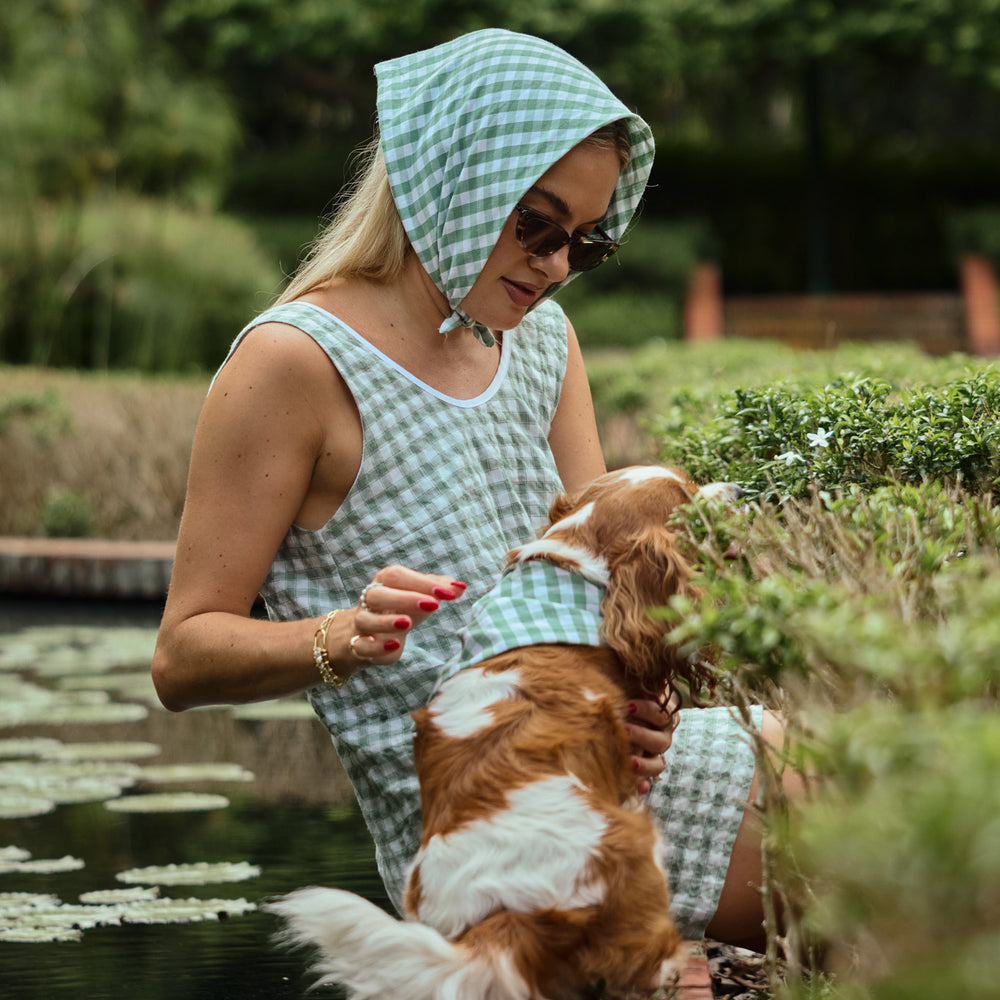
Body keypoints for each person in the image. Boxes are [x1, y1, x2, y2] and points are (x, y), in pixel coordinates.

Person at [152, 28, 777, 949]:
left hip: (606, 758)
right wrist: (338, 639)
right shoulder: (293, 364)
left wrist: (655, 712)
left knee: (872, 774)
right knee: (866, 858)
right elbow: (182, 656)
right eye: (536, 225)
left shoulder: (543, 346)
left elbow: (602, 589)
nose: (557, 264)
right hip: (488, 821)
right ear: (453, 179)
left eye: (584, 240)